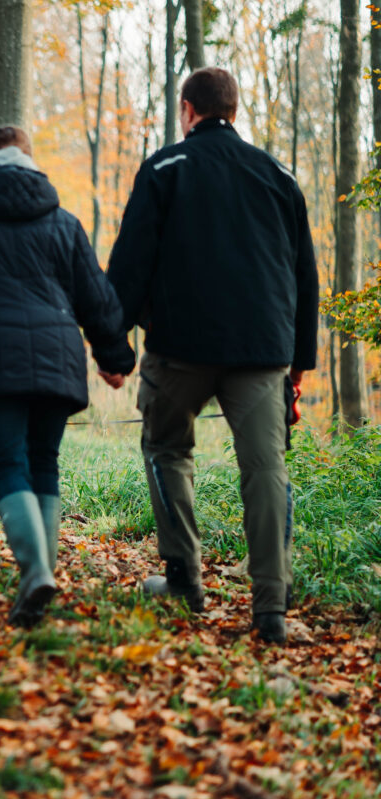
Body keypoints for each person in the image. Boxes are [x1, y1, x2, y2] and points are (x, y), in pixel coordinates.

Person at [103, 67, 318, 645]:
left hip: (179, 348)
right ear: (235, 109)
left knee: (167, 450)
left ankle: (184, 581)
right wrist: (298, 364)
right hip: (262, 349)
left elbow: (130, 263)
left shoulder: (165, 168)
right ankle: (271, 607)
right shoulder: (279, 175)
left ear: (187, 110)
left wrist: (113, 346)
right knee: (266, 468)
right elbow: (304, 275)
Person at [0, 126, 135, 627]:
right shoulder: (63, 221)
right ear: (29, 162)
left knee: (7, 464)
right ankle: (41, 578)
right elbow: (96, 297)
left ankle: (36, 575)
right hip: (57, 358)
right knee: (43, 462)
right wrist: (115, 357)